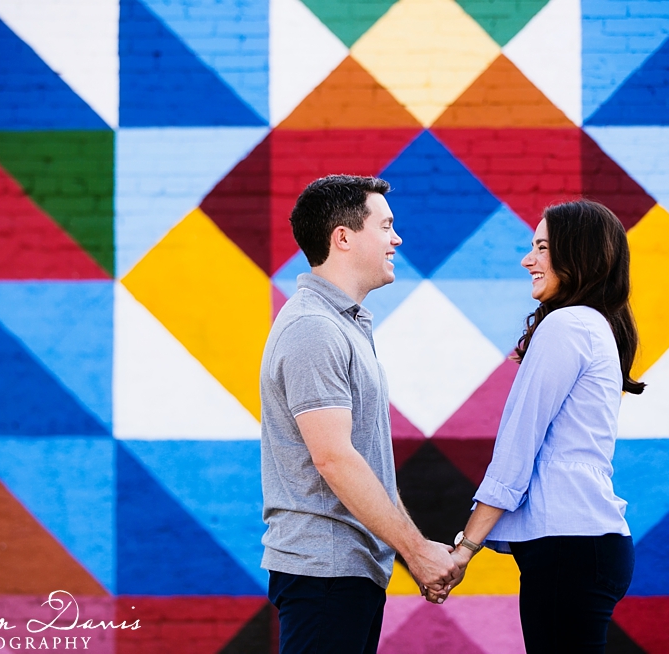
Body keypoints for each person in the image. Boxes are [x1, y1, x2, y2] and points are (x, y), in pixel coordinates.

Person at [260, 174, 459, 654]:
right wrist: (416, 550)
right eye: (386, 225)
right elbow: (334, 459)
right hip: (324, 572)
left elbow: (366, 463)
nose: (397, 238)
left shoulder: (342, 325)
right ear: (343, 237)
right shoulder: (314, 328)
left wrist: (409, 551)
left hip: (346, 572)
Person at [436, 199, 645, 653]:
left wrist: (466, 548)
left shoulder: (568, 325)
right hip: (586, 545)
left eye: (542, 248)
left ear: (579, 255)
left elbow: (517, 448)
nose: (527, 260)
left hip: (569, 547)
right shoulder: (594, 325)